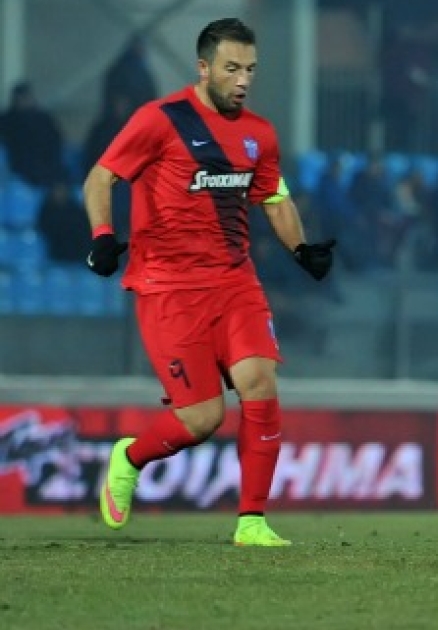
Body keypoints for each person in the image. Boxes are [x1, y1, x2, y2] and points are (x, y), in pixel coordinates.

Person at [82, 18, 336, 547]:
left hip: (235, 282)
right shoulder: (160, 119)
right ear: (203, 67)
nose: (243, 80)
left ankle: (251, 522)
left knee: (260, 383)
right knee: (201, 420)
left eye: (251, 69)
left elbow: (273, 197)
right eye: (232, 68)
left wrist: (301, 248)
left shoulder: (260, 134)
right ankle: (129, 457)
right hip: (168, 288)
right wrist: (103, 236)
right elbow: (100, 177)